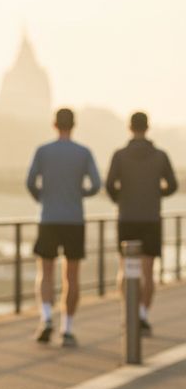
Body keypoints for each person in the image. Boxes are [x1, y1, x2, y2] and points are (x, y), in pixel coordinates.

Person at [26, 107, 101, 346]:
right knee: (72, 276)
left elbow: (30, 182)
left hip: (48, 218)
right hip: (74, 219)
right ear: (74, 125)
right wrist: (80, 193)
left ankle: (47, 318)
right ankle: (67, 329)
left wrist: (43, 198)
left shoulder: (43, 151)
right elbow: (97, 184)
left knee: (45, 272)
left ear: (54, 124)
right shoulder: (83, 153)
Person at [105, 112, 178, 332]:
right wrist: (156, 193)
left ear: (129, 127)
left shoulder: (119, 155)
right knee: (148, 271)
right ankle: (143, 315)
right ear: (148, 128)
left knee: (126, 269)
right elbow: (173, 185)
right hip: (151, 218)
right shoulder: (160, 155)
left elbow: (109, 185)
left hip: (127, 217)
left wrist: (122, 198)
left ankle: (129, 313)